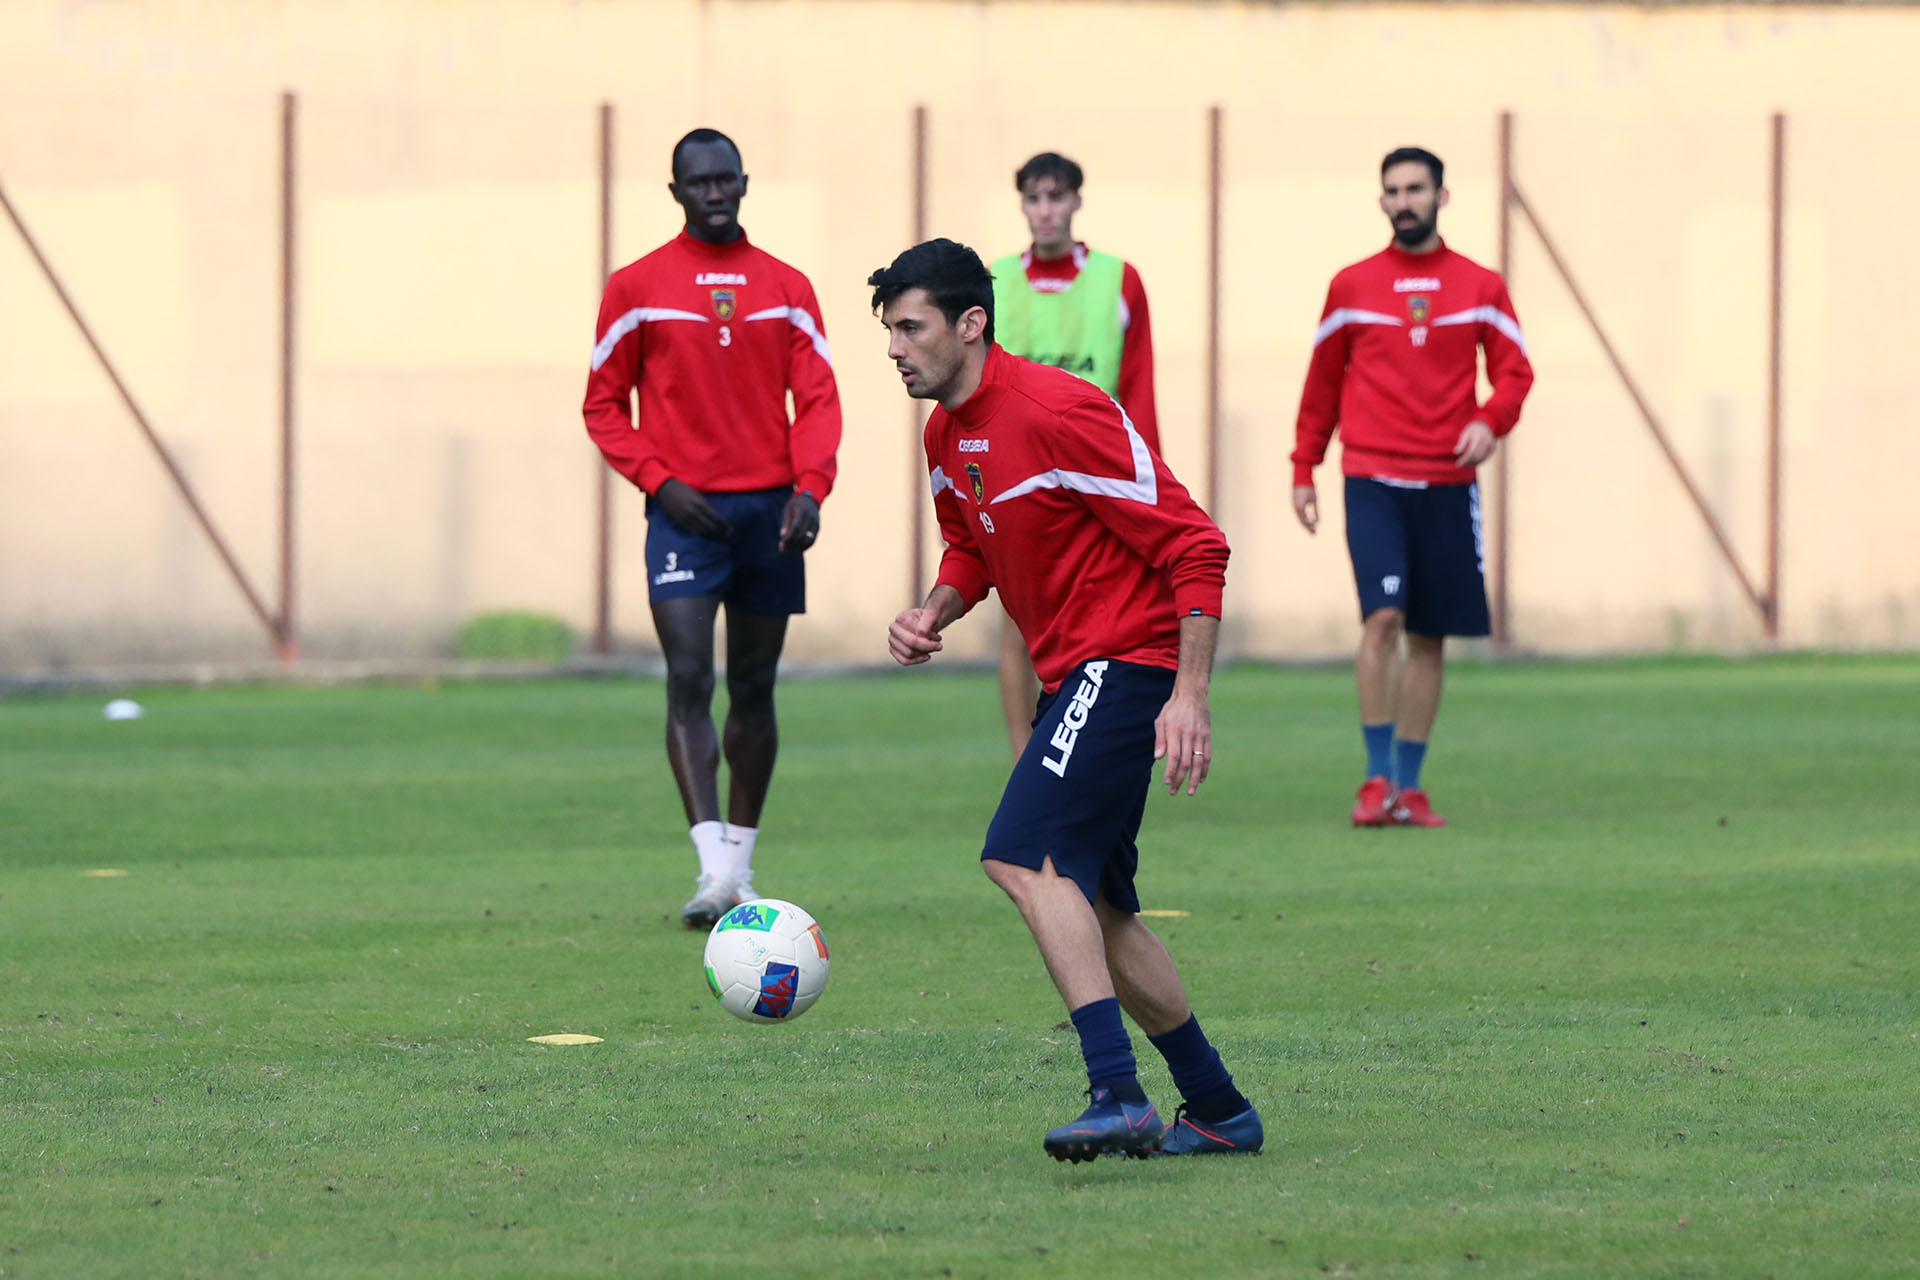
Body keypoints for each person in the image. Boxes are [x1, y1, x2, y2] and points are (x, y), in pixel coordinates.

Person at [872, 238, 1260, 1161]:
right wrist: (932, 611)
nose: (894, 349)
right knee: (1103, 911)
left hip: (1125, 663)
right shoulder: (944, 435)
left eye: (911, 328)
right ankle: (1219, 1108)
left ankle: (1117, 1092)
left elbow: (1196, 544)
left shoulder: (1059, 410)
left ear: (971, 324)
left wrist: (1189, 694)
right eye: (888, 330)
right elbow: (972, 545)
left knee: (1022, 856)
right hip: (1073, 677)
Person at [582, 128, 842, 927]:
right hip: (683, 516)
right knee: (691, 678)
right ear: (676, 192)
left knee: (755, 687)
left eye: (727, 179)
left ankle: (739, 867)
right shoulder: (636, 287)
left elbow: (819, 399)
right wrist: (661, 482)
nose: (716, 192)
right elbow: (602, 406)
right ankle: (711, 872)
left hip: (771, 514)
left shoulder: (787, 287)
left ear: (745, 183)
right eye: (700, 182)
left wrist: (811, 490)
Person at [1290, 147, 1534, 829]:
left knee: (1429, 636)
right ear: (1382, 201)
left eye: (1415, 189)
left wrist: (1489, 422)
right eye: (1393, 191)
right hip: (1372, 477)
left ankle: (1410, 786)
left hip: (1448, 483)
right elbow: (1322, 383)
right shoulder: (1351, 286)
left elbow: (1515, 373)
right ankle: (1375, 782)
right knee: (1383, 620)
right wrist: (1304, 466)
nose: (1404, 201)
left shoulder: (1481, 286)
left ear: (1441, 197)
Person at [987, 152, 1160, 760]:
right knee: (1018, 625)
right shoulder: (995, 282)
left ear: (1077, 202)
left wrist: (1148, 488)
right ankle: (1023, 764)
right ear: (1022, 205)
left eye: (1056, 197)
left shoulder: (1119, 280)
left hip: (1097, 481)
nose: (1045, 211)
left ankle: (1086, 754)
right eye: (1034, 198)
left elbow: (1139, 390)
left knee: (1104, 621)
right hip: (1018, 481)